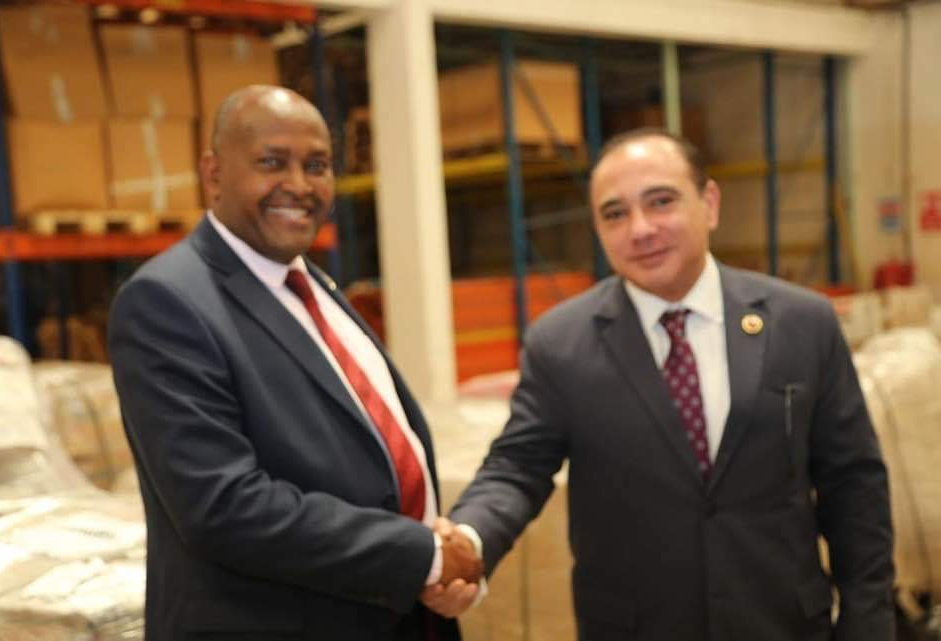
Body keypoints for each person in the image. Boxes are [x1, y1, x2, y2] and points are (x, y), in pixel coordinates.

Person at [446, 128, 895, 640]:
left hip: (783, 625)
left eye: (661, 202)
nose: (640, 229)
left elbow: (854, 485)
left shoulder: (802, 324)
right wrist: (468, 540)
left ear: (710, 204)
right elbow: (517, 467)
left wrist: (868, 623)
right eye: (615, 214)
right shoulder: (560, 345)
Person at [108, 85, 481, 641]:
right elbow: (224, 506)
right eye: (271, 162)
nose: (300, 185)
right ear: (213, 174)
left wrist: (433, 559)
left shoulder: (311, 284)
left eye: (317, 165)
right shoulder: (167, 302)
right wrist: (421, 554)